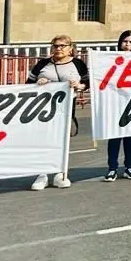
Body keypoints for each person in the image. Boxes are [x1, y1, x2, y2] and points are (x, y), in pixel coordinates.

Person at [26, 35, 88, 191]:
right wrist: (38, 84)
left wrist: (79, 85)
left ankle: (60, 174)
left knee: (62, 141)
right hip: (43, 109)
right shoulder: (42, 64)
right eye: (55, 45)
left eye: (62, 46)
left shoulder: (78, 64)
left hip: (66, 109)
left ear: (70, 48)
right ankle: (42, 175)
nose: (58, 48)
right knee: (43, 141)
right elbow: (28, 84)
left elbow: (87, 83)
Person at [105, 30, 131, 181]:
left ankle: (129, 166)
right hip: (115, 102)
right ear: (120, 43)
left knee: (129, 137)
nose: (128, 45)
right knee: (114, 137)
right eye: (125, 41)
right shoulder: (111, 59)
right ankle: (112, 168)